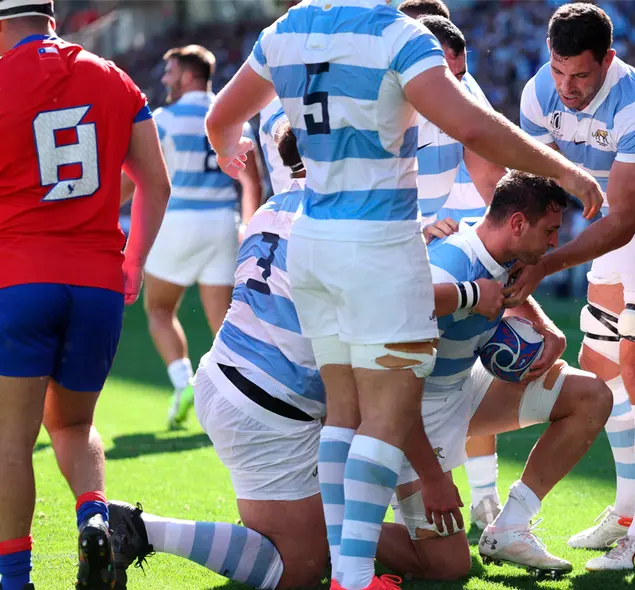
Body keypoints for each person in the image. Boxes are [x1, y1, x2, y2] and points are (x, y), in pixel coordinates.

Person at [204, 2, 602, 589]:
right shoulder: (396, 33)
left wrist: (225, 148)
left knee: (345, 414)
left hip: (313, 242)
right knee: (385, 418)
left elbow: (221, 118)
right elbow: (473, 128)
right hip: (376, 242)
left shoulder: (288, 28)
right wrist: (564, 171)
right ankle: (354, 576)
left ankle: (348, 569)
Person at [110, 124, 504, 589]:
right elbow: (393, 295)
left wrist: (412, 239)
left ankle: (330, 548)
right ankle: (140, 530)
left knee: (321, 537)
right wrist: (470, 293)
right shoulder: (340, 219)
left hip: (235, 380)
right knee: (299, 568)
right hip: (270, 409)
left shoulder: (275, 206)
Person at [508, 3, 635, 571]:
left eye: (580, 75)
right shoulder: (537, 94)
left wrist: (545, 265)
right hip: (613, 219)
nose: (566, 87)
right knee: (599, 365)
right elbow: (537, 184)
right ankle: (624, 513)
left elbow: (624, 222)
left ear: (608, 60)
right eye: (558, 71)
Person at [0, 1, 171, 588]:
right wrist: (135, 260)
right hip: (96, 283)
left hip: (19, 279)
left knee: (11, 441)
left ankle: (14, 580)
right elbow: (156, 182)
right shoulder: (113, 76)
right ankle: (95, 521)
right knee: (73, 425)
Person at [375, 172, 612, 580]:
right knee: (447, 565)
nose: (555, 242)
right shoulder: (450, 268)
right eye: (550, 230)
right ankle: (327, 527)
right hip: (412, 410)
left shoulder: (499, 249)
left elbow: (510, 290)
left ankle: (509, 528)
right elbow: (393, 384)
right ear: (518, 223)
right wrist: (433, 479)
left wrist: (548, 330)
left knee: (591, 396)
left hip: (462, 388)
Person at [398, 0, 508, 538]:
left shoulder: (460, 88)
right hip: (412, 242)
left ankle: (485, 498)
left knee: (465, 373)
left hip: (460, 237)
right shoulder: (395, 92)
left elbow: (491, 172)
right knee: (406, 376)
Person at [126, 45, 261, 430]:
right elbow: (252, 182)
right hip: (222, 223)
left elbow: (139, 178)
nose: (164, 78)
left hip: (178, 221)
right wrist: (248, 225)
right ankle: (238, 404)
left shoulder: (164, 118)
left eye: (170, 72)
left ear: (187, 77)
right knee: (225, 325)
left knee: (158, 310)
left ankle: (183, 384)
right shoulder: (233, 114)